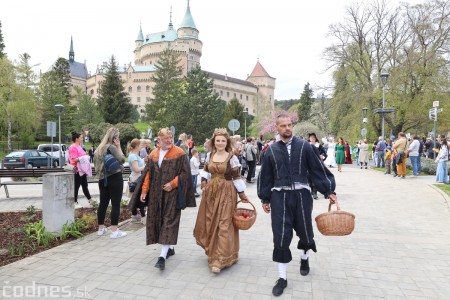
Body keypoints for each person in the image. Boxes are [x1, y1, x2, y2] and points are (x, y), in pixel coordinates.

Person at [257, 113, 337, 297]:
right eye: (283, 125)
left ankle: (304, 257)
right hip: (279, 197)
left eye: (289, 125)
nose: (287, 128)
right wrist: (265, 199)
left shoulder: (306, 147)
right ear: (276, 128)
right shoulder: (270, 150)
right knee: (281, 236)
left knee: (306, 232)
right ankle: (282, 277)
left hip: (302, 196)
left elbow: (318, 169)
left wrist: (328, 191)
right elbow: (265, 176)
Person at [132, 127, 196, 270]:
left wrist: (173, 183)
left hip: (172, 194)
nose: (169, 140)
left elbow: (185, 174)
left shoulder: (179, 153)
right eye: (166, 138)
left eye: (171, 137)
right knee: (160, 221)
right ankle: (170, 248)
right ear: (159, 139)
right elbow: (148, 174)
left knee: (169, 221)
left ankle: (162, 257)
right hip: (156, 194)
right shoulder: (153, 154)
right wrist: (144, 190)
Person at [193, 128, 249, 273]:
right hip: (211, 194)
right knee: (211, 222)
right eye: (217, 140)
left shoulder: (232, 157)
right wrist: (204, 183)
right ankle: (213, 252)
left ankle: (221, 259)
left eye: (223, 141)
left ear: (227, 142)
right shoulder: (210, 155)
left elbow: (236, 177)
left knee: (224, 224)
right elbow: (205, 172)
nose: (220, 143)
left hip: (227, 193)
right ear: (213, 142)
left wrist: (242, 195)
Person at [94, 127, 127, 239]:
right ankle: (114, 231)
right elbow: (122, 159)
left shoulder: (99, 149)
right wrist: (119, 147)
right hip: (114, 177)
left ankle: (101, 228)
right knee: (115, 204)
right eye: (117, 136)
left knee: (103, 203)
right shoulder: (112, 147)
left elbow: (96, 167)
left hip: (102, 179)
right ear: (114, 138)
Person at [69, 131, 93, 204]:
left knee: (85, 185)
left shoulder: (79, 146)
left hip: (82, 170)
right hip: (77, 170)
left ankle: (90, 199)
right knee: (76, 186)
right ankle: (74, 201)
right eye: (81, 138)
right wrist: (83, 157)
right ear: (77, 139)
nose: (82, 139)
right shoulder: (73, 147)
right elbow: (73, 159)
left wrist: (85, 157)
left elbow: (82, 155)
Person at [127, 138, 146, 223]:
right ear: (137, 146)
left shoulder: (135, 155)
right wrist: (145, 167)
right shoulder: (133, 156)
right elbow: (136, 169)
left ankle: (135, 215)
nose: (141, 147)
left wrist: (144, 161)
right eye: (140, 145)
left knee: (136, 198)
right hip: (136, 178)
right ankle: (142, 216)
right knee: (138, 198)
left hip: (138, 177)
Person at [308, 132, 328, 200]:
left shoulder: (319, 145)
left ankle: (314, 192)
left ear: (315, 138)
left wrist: (322, 156)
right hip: (309, 164)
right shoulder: (306, 145)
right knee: (309, 179)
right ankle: (312, 190)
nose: (312, 139)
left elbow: (324, 154)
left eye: (313, 137)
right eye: (311, 137)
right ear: (309, 138)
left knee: (316, 179)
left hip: (317, 164)